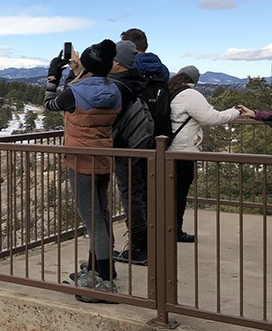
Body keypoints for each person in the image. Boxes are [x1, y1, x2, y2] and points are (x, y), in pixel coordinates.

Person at [45, 39, 122, 289]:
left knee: (92, 218)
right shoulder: (115, 91)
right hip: (103, 158)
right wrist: (78, 71)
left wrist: (53, 76)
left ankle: (102, 277)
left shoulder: (74, 93)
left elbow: (50, 103)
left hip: (79, 160)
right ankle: (103, 267)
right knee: (101, 213)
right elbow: (89, 91)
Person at [168, 65, 252, 242]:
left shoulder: (170, 91)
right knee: (179, 193)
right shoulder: (190, 94)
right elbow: (211, 118)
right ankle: (175, 231)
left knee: (169, 192)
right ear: (194, 80)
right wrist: (235, 112)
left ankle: (164, 229)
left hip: (167, 149)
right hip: (184, 152)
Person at [108, 40, 150, 266]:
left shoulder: (118, 85)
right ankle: (142, 244)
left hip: (125, 145)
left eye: (112, 59)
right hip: (138, 143)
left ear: (119, 63)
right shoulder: (136, 79)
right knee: (137, 192)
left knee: (130, 194)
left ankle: (139, 248)